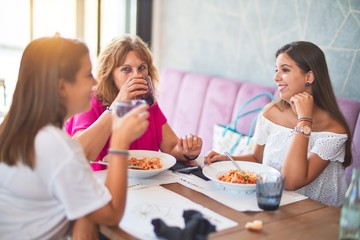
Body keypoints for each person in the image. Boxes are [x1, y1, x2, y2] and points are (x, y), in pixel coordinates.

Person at [0, 36, 149, 239]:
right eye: (88, 74)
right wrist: (120, 142)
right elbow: (111, 214)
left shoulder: (15, 129)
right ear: (62, 87)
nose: (95, 81)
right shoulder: (56, 146)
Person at [205, 41, 352, 207]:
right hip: (270, 204)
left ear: (309, 77)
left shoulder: (333, 130)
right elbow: (257, 158)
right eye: (277, 70)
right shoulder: (271, 113)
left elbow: (290, 182)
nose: (276, 77)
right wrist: (225, 160)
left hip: (314, 217)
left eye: (285, 70)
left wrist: (304, 121)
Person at [65, 34, 202, 171]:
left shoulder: (148, 104)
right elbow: (80, 153)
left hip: (145, 186)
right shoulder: (91, 101)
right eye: (126, 69)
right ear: (110, 74)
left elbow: (172, 147)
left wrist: (187, 151)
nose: (137, 75)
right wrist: (118, 105)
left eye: (142, 68)